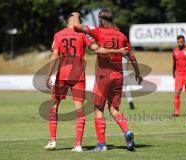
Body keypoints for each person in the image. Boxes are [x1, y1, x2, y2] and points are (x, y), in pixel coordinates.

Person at [44, 12, 129, 152]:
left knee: (54, 106)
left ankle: (52, 141)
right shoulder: (83, 34)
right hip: (78, 75)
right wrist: (118, 51)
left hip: (63, 73)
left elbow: (54, 55)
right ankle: (78, 145)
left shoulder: (58, 34)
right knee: (79, 110)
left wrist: (48, 75)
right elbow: (97, 49)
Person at [74, 9, 142, 151]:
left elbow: (76, 27)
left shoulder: (98, 31)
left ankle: (102, 145)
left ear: (101, 19)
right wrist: (138, 73)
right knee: (114, 109)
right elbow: (132, 56)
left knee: (98, 109)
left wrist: (76, 15)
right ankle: (127, 132)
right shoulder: (121, 35)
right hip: (118, 77)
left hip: (103, 76)